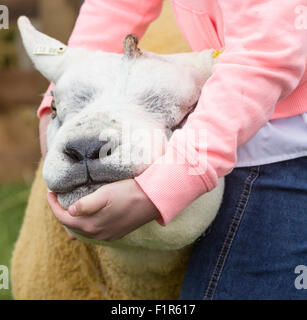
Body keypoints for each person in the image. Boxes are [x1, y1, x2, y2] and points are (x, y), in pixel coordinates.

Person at [40, 0, 307, 299]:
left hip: (288, 141)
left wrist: (161, 189)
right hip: (240, 105)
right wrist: (66, 97)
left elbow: (266, 51)